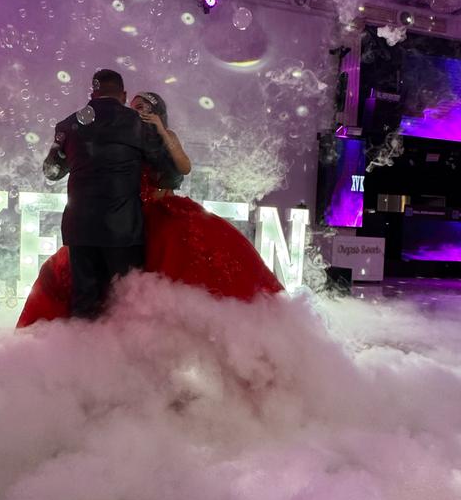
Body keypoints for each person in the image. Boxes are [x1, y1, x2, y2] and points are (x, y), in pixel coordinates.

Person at [17, 88, 282, 327]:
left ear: (157, 112)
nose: (136, 111)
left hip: (161, 213)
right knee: (79, 274)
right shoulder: (128, 136)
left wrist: (162, 132)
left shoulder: (164, 136)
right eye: (133, 106)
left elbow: (184, 167)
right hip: (128, 216)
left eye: (142, 107)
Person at [35, 69, 173, 321]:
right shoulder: (138, 124)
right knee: (126, 304)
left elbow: (52, 172)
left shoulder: (68, 125)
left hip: (80, 227)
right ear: (124, 95)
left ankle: (82, 346)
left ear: (93, 93)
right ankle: (122, 347)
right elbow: (167, 171)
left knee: (84, 304)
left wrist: (61, 145)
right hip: (123, 229)